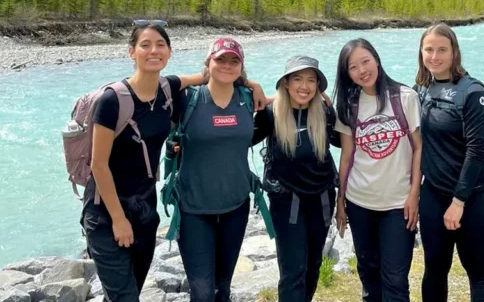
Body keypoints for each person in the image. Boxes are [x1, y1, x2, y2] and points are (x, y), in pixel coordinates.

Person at [82, 21, 221, 302]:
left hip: (145, 209)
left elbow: (204, 76)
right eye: (145, 45)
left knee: (129, 290)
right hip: (105, 213)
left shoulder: (167, 89)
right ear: (131, 52)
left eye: (160, 45)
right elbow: (98, 166)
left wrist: (253, 86)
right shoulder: (112, 101)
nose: (153, 51)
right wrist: (119, 221)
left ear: (169, 52)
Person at [332, 38, 422, 302]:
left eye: (365, 61)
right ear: (347, 73)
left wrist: (414, 194)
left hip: (398, 204)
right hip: (360, 202)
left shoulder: (406, 97)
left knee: (395, 279)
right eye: (353, 67)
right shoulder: (349, 105)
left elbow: (418, 148)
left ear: (377, 60)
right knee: (369, 277)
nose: (362, 70)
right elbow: (347, 156)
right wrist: (340, 200)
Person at [414, 23, 484, 302]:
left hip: (473, 199)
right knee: (434, 270)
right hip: (434, 195)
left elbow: (476, 152)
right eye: (429, 49)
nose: (434, 56)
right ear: (421, 53)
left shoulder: (473, 93)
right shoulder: (422, 89)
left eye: (442, 50)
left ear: (454, 52)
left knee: (478, 273)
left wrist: (459, 202)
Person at [174, 37, 262, 302]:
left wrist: (252, 84)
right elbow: (156, 86)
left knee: (222, 288)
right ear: (208, 62)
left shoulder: (248, 100)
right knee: (201, 292)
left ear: (241, 67)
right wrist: (198, 77)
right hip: (193, 208)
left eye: (234, 61)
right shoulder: (187, 99)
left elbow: (290, 100)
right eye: (220, 59)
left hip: (236, 206)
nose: (227, 65)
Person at [251, 55, 340, 302]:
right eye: (298, 79)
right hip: (286, 200)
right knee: (293, 271)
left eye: (311, 80)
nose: (305, 86)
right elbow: (238, 137)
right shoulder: (271, 114)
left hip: (321, 198)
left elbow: (349, 142)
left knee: (313, 265)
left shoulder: (325, 113)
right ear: (286, 83)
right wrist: (253, 87)